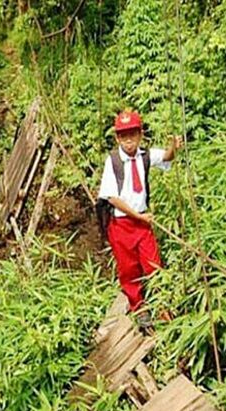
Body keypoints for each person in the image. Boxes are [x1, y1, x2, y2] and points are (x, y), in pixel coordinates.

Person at [97, 110, 182, 330]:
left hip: (143, 224)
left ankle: (164, 308)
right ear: (117, 138)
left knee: (154, 265)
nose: (128, 139)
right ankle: (140, 310)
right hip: (122, 224)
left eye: (132, 134)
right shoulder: (113, 162)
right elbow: (112, 198)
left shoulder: (144, 155)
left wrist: (173, 146)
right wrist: (139, 216)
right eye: (123, 135)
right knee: (129, 270)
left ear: (140, 134)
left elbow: (166, 157)